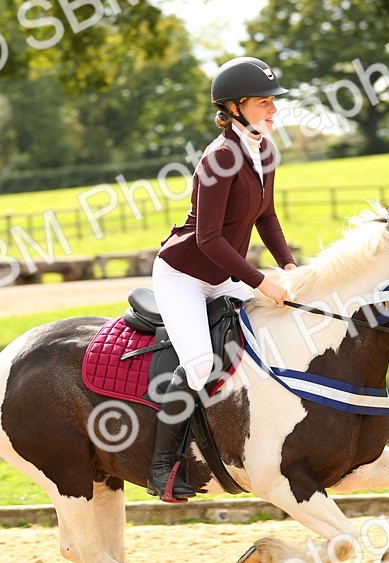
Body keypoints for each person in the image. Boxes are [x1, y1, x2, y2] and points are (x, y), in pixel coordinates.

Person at [147, 56, 297, 503]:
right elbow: (208, 239)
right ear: (234, 108)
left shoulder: (264, 151)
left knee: (275, 336)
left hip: (225, 272)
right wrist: (260, 282)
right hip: (185, 276)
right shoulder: (219, 158)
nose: (273, 110)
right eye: (264, 102)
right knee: (199, 366)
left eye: (274, 101)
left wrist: (288, 267)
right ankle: (160, 467)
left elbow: (266, 217)